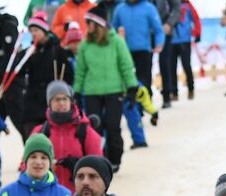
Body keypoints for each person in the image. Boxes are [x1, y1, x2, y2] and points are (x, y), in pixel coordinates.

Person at [74, 12, 138, 169]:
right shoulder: (85, 45)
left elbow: (126, 65)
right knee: (95, 128)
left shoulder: (116, 41)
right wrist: (76, 92)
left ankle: (115, 159)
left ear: (98, 24)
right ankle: (99, 160)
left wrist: (131, 87)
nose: (86, 27)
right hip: (91, 92)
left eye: (89, 23)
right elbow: (80, 71)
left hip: (114, 91)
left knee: (112, 126)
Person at [5, 13, 73, 140]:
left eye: (36, 30)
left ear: (44, 30)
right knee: (30, 134)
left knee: (51, 136)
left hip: (50, 99)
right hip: (32, 99)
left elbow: (68, 75)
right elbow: (18, 72)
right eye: (31, 31)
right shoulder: (30, 51)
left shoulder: (56, 50)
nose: (33, 34)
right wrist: (23, 55)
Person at [29, 81, 103, 191]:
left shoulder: (85, 131)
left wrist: (80, 166)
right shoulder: (40, 132)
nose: (62, 103)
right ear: (50, 103)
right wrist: (42, 167)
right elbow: (24, 166)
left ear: (71, 101)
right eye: (57, 99)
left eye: (65, 99)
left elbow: (100, 168)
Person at [111, 0, 162, 145]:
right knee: (129, 86)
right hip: (124, 52)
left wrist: (159, 42)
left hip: (144, 50)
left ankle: (143, 109)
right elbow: (112, 29)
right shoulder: (120, 9)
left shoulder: (148, 8)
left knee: (143, 84)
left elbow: (158, 28)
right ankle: (137, 110)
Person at [160, 0, 200, 104]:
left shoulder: (187, 6)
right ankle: (174, 92)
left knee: (186, 65)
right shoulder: (167, 4)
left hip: (184, 40)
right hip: (171, 40)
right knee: (171, 67)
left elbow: (196, 19)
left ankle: (191, 88)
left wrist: (197, 33)